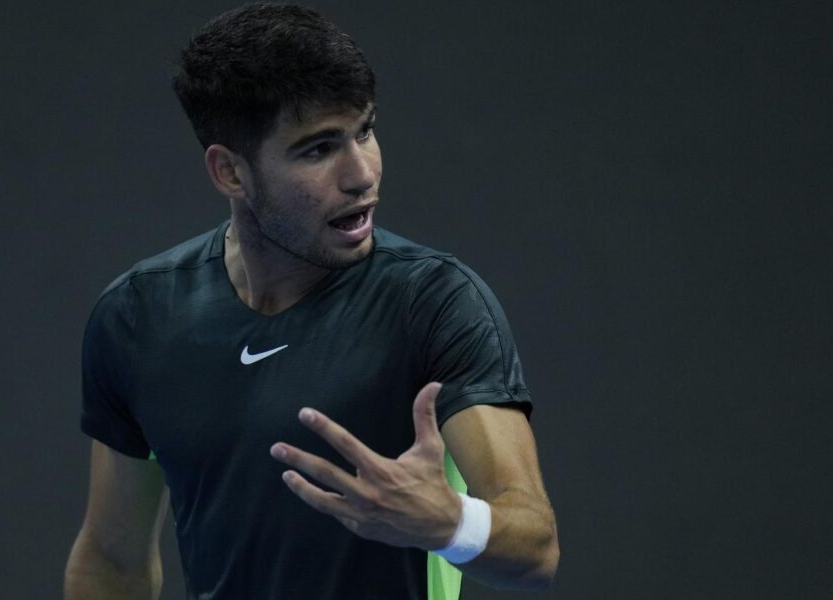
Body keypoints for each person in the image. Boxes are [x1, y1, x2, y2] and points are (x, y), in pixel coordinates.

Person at [63, 4, 558, 599]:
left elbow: (534, 548)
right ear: (230, 172)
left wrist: (451, 523)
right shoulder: (137, 317)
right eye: (319, 149)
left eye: (365, 131)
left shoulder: (435, 302)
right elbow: (113, 559)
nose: (362, 175)